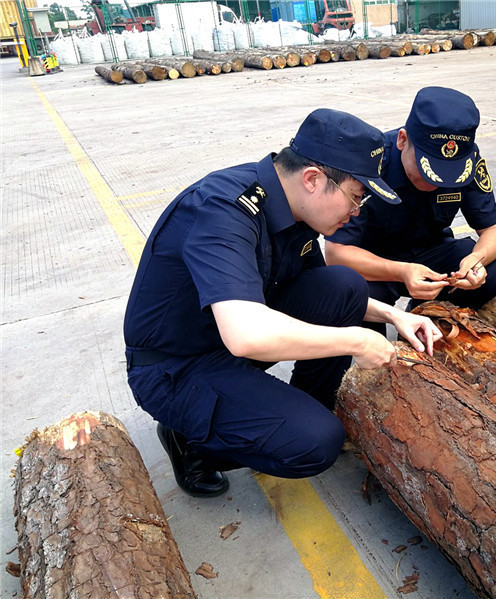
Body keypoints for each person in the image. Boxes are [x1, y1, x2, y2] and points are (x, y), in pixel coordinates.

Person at [123, 108, 442, 498]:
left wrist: (393, 315)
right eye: (356, 198)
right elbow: (246, 335)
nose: (356, 212)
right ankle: (190, 440)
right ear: (313, 179)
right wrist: (358, 341)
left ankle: (296, 408)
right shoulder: (221, 211)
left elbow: (311, 289)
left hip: (226, 336)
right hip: (176, 367)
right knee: (314, 443)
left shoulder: (295, 205)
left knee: (344, 286)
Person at [324, 86, 496, 335]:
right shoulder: (370, 162)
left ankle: (427, 314)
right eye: (426, 170)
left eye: (449, 175)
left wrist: (477, 260)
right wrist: (402, 271)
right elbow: (336, 253)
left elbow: (494, 229)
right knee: (354, 297)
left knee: (492, 276)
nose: (435, 183)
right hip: (374, 262)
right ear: (402, 140)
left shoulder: (470, 161)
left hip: (430, 252)